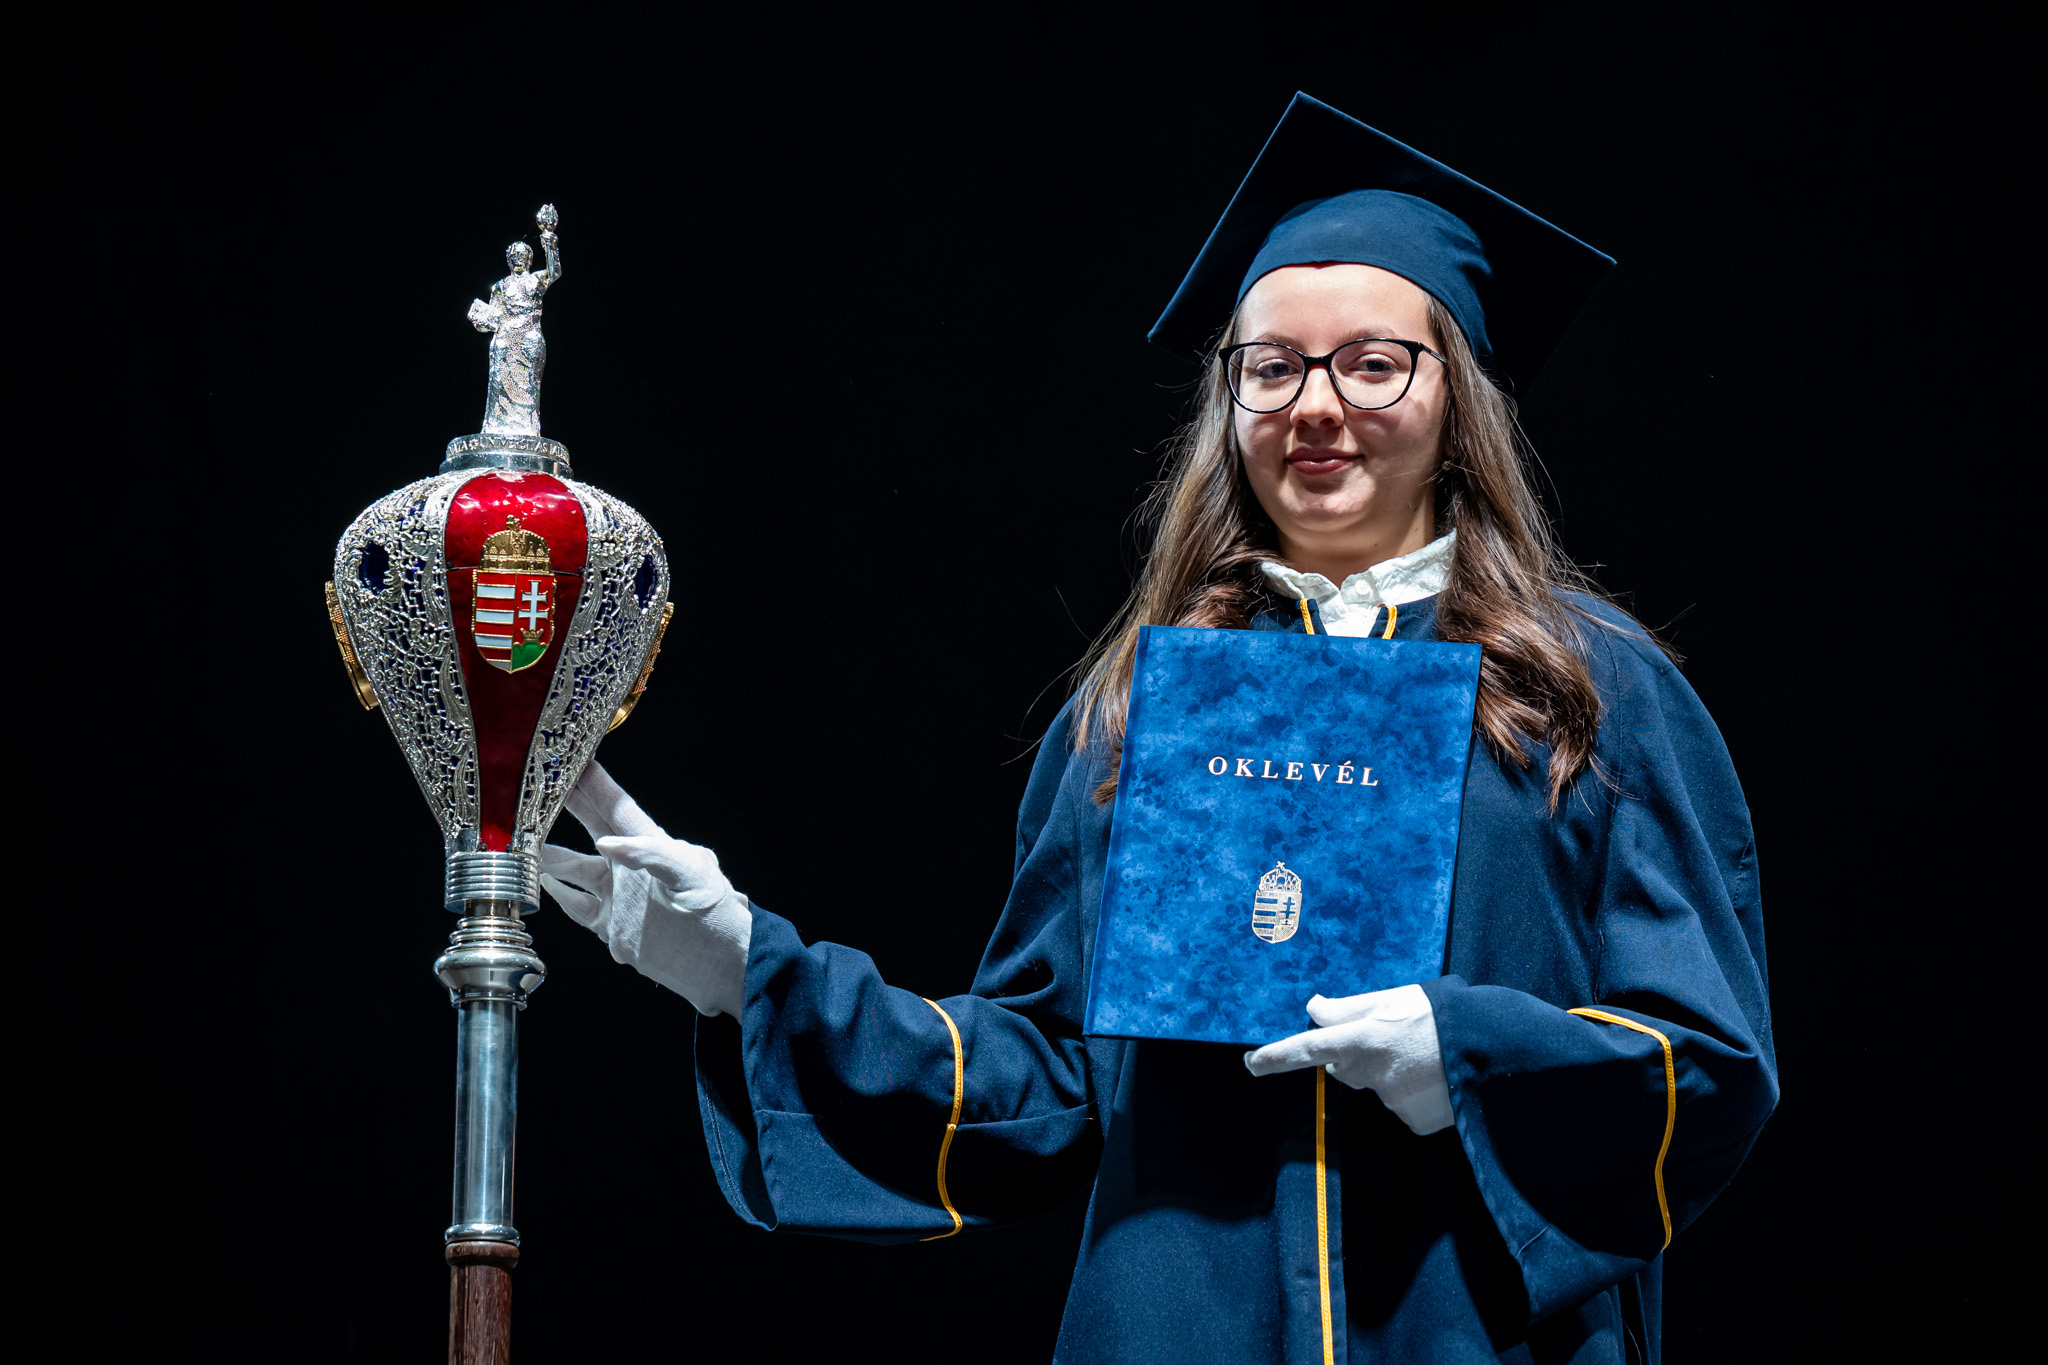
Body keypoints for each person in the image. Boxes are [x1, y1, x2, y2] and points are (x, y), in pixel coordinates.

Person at [539, 94, 1776, 1364]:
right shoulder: (1140, 705)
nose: (1313, 405)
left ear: (1456, 393)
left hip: (1471, 1322)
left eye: (1371, 361)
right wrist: (753, 972)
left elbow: (1709, 1064)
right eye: (1271, 366)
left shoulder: (1590, 691)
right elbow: (1041, 1081)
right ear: (1228, 398)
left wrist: (1470, 1055)